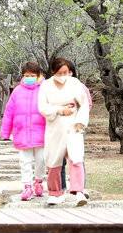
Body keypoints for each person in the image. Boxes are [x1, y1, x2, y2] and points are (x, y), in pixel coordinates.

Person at [38, 56, 90, 206]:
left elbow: (84, 104)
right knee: (54, 160)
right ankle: (55, 193)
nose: (63, 76)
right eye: (59, 73)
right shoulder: (46, 86)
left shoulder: (75, 83)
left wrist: (80, 122)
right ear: (53, 72)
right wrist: (59, 110)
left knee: (76, 158)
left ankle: (79, 191)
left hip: (73, 126)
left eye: (65, 72)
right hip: (55, 127)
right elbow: (42, 107)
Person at [0, 61, 47, 201]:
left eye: (32, 75)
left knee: (41, 160)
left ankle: (38, 181)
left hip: (41, 133)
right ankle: (27, 187)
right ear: (22, 76)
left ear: (38, 75)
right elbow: (9, 113)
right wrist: (5, 132)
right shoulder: (17, 91)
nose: (29, 77)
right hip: (22, 133)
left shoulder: (45, 90)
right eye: (26, 75)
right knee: (25, 162)